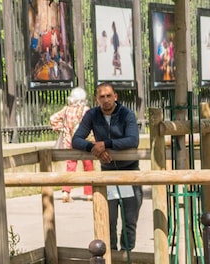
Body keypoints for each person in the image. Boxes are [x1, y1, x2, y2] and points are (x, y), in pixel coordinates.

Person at [72, 83, 142, 252]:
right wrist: (95, 149)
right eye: (101, 97)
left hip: (129, 173)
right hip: (108, 173)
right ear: (97, 99)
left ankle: (127, 256)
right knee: (109, 219)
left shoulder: (126, 114)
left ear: (115, 97)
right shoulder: (92, 115)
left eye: (109, 96)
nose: (106, 100)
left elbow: (133, 140)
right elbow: (76, 140)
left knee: (129, 220)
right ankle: (110, 257)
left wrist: (106, 144)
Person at [51, 87, 94, 202]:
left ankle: (66, 192)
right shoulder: (86, 110)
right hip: (84, 142)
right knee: (88, 166)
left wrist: (62, 128)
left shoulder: (66, 110)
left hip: (70, 143)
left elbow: (52, 119)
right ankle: (89, 194)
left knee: (70, 167)